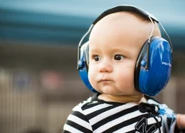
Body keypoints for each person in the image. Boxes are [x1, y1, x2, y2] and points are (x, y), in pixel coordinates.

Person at [63, 5, 185, 133]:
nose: (103, 67)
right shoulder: (84, 117)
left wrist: (180, 121)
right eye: (96, 57)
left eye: (118, 57)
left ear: (154, 63)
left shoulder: (155, 108)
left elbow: (169, 123)